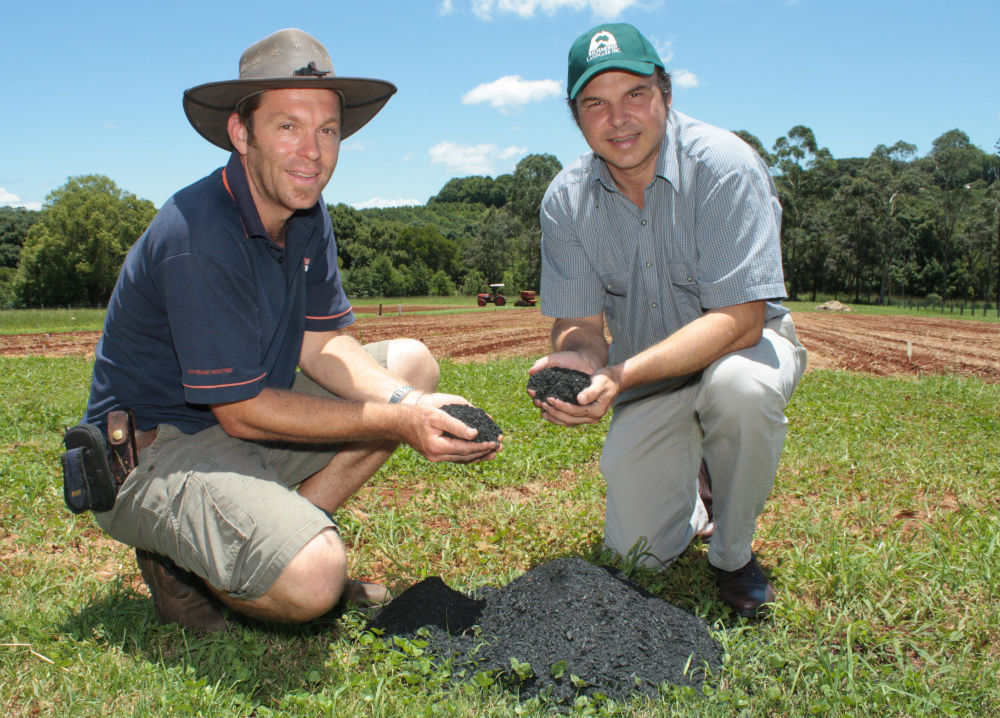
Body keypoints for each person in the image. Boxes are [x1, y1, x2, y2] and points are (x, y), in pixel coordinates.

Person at [82, 28, 500, 632]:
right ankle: (197, 565)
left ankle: (289, 535)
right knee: (315, 581)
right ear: (241, 132)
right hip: (156, 454)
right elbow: (242, 410)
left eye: (327, 129)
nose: (313, 150)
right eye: (288, 126)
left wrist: (410, 401)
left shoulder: (304, 211)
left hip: (239, 430)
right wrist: (402, 421)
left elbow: (323, 343)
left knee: (409, 365)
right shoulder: (198, 234)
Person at [529, 23, 807, 618]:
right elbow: (579, 325)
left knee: (738, 389)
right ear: (576, 116)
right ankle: (694, 492)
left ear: (666, 94)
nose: (618, 118)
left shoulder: (726, 167)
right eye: (595, 103)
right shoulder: (566, 200)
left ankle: (733, 555)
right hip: (652, 373)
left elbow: (739, 321)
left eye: (635, 94)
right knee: (637, 554)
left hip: (741, 349)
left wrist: (622, 376)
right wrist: (577, 362)